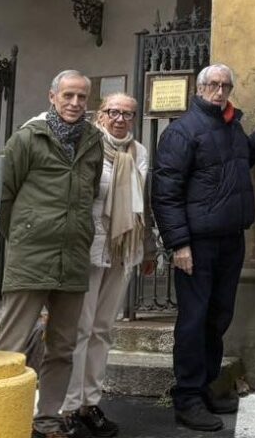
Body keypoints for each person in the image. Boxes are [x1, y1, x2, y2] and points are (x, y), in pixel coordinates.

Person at [151, 64, 255, 432]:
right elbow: (166, 192)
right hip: (196, 242)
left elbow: (241, 159)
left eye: (225, 86)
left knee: (218, 315)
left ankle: (204, 385)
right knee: (193, 319)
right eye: (213, 85)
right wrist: (179, 244)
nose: (219, 91)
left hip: (229, 238)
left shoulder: (230, 126)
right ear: (200, 88)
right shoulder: (182, 131)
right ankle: (187, 396)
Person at [0, 70, 104, 438]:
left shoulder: (93, 141)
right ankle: (4, 418)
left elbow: (90, 194)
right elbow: (4, 196)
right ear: (52, 97)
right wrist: (23, 236)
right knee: (12, 343)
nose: (75, 103)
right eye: (68, 96)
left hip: (73, 255)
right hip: (31, 254)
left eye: (82, 98)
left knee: (62, 346)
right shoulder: (28, 138)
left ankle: (47, 420)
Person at [62, 93, 154, 437]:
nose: (120, 119)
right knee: (79, 330)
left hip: (122, 250)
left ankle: (90, 403)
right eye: (113, 112)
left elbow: (141, 203)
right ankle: (67, 407)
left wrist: (147, 247)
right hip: (88, 248)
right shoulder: (86, 144)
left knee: (103, 330)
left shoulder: (139, 152)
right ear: (100, 115)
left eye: (128, 114)